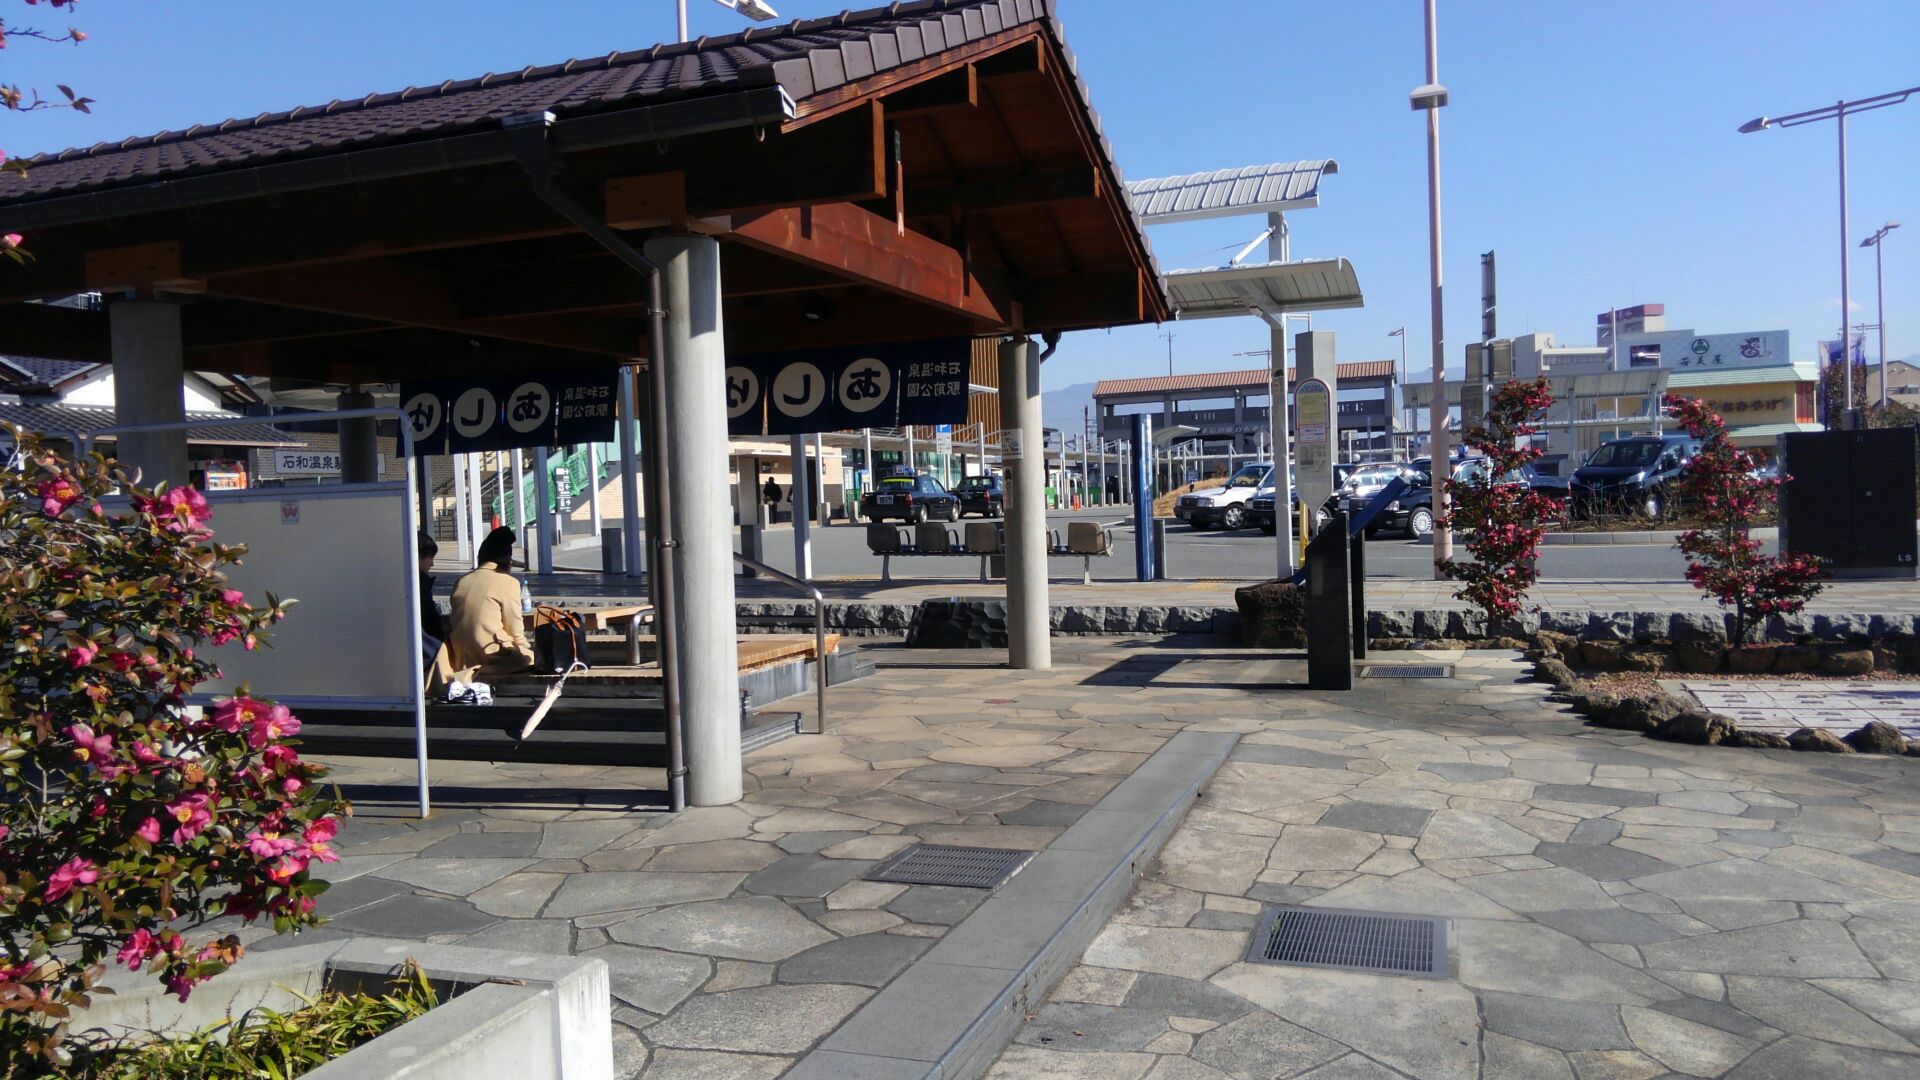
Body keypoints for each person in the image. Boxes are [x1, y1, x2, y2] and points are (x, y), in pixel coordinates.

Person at [434, 525, 534, 687]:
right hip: (490, 653)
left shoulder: (462, 581)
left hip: (460, 657)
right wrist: (525, 653)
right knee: (530, 658)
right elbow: (515, 629)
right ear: (507, 562)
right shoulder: (508, 583)